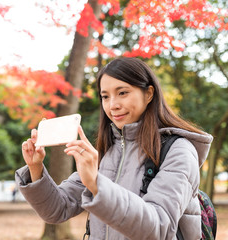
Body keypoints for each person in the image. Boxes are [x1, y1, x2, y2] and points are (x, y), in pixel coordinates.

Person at [15, 57, 213, 239]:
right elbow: (57, 210)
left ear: (149, 93)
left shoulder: (179, 150)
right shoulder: (105, 152)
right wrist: (36, 168)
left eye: (123, 93)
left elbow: (159, 227)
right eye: (105, 96)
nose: (113, 105)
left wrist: (96, 183)